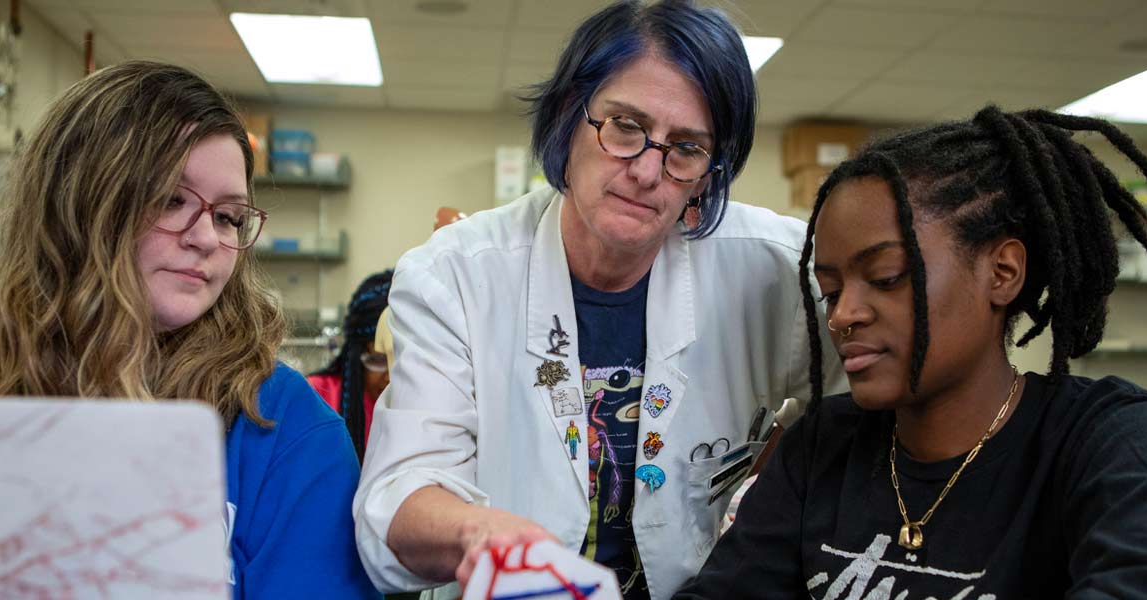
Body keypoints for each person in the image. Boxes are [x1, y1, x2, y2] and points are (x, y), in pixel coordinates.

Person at [0, 61, 380, 600]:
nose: (208, 238)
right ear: (80, 202)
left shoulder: (284, 429)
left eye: (229, 216)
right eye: (170, 199)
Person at [353, 2, 843, 599]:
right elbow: (402, 490)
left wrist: (786, 463)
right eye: (625, 128)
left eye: (685, 148)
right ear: (568, 115)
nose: (646, 171)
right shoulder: (455, 274)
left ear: (709, 173)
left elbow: (874, 405)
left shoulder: (777, 267)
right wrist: (485, 537)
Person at [677, 106, 1147, 599]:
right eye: (833, 290)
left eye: (886, 278)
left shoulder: (1112, 437)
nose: (842, 316)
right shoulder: (822, 445)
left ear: (1001, 273)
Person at [309, 269, 393, 459]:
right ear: (355, 354)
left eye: (399, 360)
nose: (389, 376)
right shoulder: (317, 396)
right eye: (378, 360)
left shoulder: (423, 403)